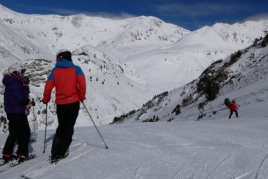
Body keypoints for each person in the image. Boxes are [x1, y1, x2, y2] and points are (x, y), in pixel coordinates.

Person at [43, 49, 86, 163]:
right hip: (73, 103)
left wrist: (46, 99)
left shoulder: (55, 71)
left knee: (61, 126)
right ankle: (61, 152)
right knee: (68, 128)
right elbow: (82, 84)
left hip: (60, 104)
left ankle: (54, 150)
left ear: (60, 58)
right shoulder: (76, 69)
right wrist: (81, 96)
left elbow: (48, 87)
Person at [0, 63, 32, 165]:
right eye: (22, 72)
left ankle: (7, 154)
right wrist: (26, 88)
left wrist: (26, 102)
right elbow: (21, 98)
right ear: (15, 72)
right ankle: (22, 155)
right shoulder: (16, 83)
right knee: (25, 132)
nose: (23, 73)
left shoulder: (10, 82)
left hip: (11, 111)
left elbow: (16, 98)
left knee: (13, 133)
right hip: (18, 112)